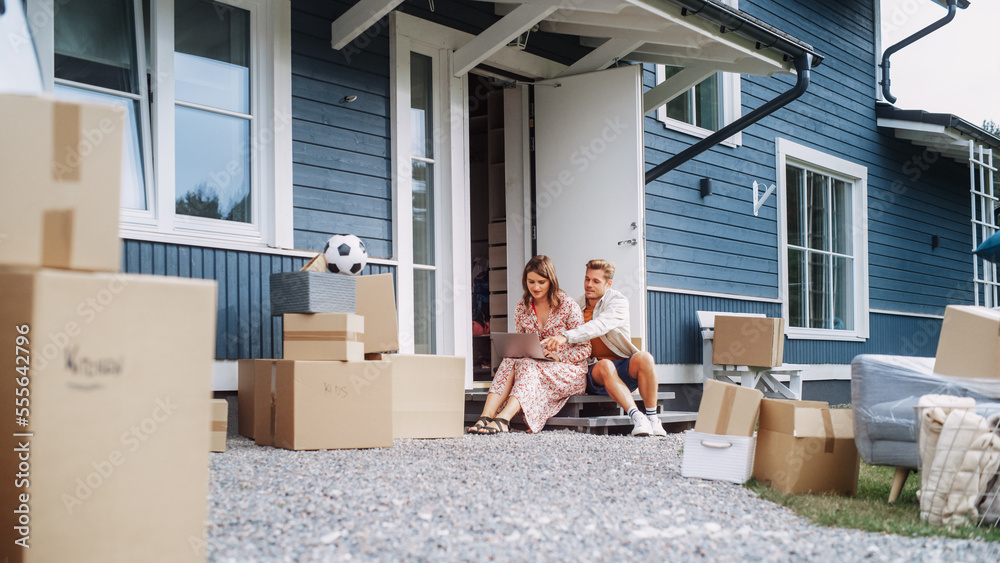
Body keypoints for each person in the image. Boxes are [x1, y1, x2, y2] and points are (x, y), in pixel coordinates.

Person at [540, 259, 665, 437]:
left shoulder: (618, 301)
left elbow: (600, 325)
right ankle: (637, 417)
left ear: (608, 284)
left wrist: (566, 336)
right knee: (606, 365)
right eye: (587, 279)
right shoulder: (576, 305)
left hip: (622, 366)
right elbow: (558, 329)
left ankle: (653, 419)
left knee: (645, 357)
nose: (589, 285)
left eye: (596, 281)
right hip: (593, 369)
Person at [467, 255, 591, 434]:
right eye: (531, 281)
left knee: (525, 363)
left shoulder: (567, 305)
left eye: (541, 282)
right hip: (533, 366)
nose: (536, 287)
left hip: (569, 372)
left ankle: (503, 419)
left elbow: (586, 347)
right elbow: (521, 345)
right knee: (510, 359)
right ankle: (486, 416)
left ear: (551, 281)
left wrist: (558, 356)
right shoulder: (522, 307)